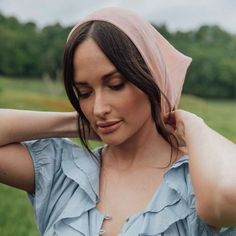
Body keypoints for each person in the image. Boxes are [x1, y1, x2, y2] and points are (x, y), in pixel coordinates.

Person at [0, 6, 236, 236]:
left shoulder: (196, 181)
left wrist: (191, 124)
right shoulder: (63, 172)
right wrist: (78, 123)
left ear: (151, 77)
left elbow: (228, 195)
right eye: (84, 93)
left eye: (115, 85)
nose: (99, 108)